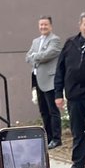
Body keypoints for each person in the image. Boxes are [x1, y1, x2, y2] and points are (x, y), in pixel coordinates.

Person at [54, 12, 85, 168]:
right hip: (74, 96)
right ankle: (78, 165)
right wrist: (58, 94)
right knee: (78, 132)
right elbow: (60, 70)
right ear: (80, 25)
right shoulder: (70, 44)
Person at [27, 16, 63, 148]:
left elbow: (48, 54)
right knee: (43, 110)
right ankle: (47, 137)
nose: (43, 27)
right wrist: (36, 56)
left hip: (49, 81)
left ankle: (56, 138)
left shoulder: (55, 40)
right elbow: (27, 57)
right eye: (41, 25)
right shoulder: (36, 41)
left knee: (52, 110)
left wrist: (35, 56)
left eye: (45, 25)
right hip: (37, 80)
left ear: (51, 26)